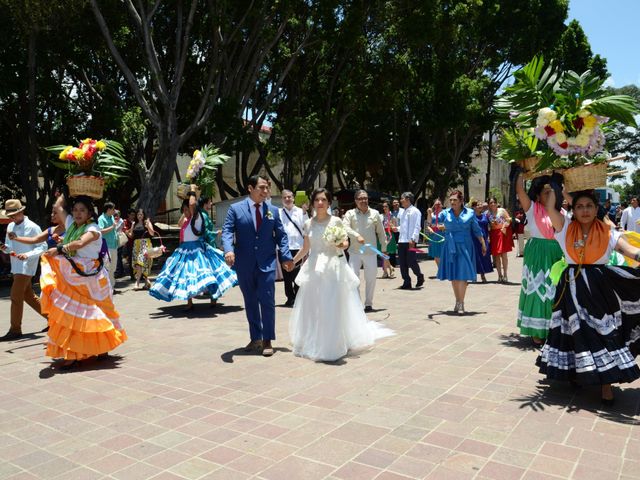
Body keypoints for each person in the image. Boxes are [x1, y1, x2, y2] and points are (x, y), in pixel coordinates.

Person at [539, 189, 640, 406]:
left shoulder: (608, 232)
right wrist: (557, 184)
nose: (584, 210)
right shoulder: (564, 227)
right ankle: (577, 372)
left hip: (599, 289)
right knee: (573, 331)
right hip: (570, 287)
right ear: (573, 210)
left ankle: (606, 385)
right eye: (579, 206)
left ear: (597, 209)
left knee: (605, 332)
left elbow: (631, 251)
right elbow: (550, 208)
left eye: (589, 206)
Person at [289, 188, 394, 361]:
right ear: (313, 203)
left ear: (329, 202)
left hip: (333, 267)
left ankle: (335, 341)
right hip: (314, 267)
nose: (320, 203)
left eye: (324, 200)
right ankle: (314, 339)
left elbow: (345, 243)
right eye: (317, 200)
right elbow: (306, 248)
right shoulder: (308, 224)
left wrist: (340, 243)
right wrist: (293, 261)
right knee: (314, 304)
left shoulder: (336, 221)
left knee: (333, 303)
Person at [40, 196, 127, 369]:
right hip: (72, 274)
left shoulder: (93, 228)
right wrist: (70, 187)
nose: (78, 213)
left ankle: (101, 348)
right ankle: (73, 353)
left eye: (82, 210)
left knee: (97, 313)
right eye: (75, 209)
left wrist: (59, 248)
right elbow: (57, 205)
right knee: (72, 314)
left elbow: (80, 243)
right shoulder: (72, 224)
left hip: (91, 277)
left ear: (89, 213)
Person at [222, 174, 294, 357]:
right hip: (244, 263)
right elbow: (228, 231)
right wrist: (228, 250)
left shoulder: (273, 210)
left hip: (267, 262)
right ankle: (256, 337)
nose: (265, 191)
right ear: (250, 188)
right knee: (251, 301)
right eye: (261, 187)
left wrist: (286, 257)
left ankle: (268, 339)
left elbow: (281, 236)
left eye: (267, 187)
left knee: (267, 300)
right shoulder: (235, 209)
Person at [150, 191, 237, 309]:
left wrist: (192, 192)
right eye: (184, 210)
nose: (185, 212)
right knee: (185, 275)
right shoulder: (187, 221)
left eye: (187, 210)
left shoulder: (197, 218)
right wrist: (185, 208)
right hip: (184, 250)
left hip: (197, 251)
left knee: (209, 273)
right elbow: (182, 220)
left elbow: (192, 206)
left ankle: (213, 297)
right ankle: (189, 302)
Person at [514, 173, 564, 346]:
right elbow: (520, 190)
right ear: (537, 195)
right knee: (539, 290)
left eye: (552, 192)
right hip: (538, 254)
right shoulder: (532, 208)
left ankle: (554, 329)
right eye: (546, 192)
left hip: (557, 254)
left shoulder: (562, 211)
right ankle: (537, 330)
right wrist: (521, 171)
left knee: (556, 290)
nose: (550, 195)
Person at [0, 199, 48, 341]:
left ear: (22, 211)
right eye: (10, 215)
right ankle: (54, 319)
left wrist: (26, 255)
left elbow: (43, 247)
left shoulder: (33, 227)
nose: (12, 217)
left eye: (14, 214)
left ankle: (15, 329)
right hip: (16, 266)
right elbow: (10, 247)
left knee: (15, 296)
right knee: (28, 296)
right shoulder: (10, 227)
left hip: (27, 266)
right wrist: (4, 248)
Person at [435, 191, 486, 314]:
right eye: (451, 200)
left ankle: (461, 303)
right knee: (453, 275)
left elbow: (476, 230)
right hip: (450, 246)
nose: (452, 202)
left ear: (461, 201)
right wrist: (431, 213)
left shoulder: (470, 213)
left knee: (462, 275)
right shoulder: (445, 212)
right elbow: (433, 222)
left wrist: (483, 243)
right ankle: (457, 301)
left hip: (465, 246)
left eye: (455, 200)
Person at [342, 190, 387, 312]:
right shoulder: (350, 214)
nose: (364, 201)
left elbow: (381, 233)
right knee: (353, 279)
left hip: (371, 252)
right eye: (361, 198)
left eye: (365, 198)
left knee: (371, 278)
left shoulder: (375, 214)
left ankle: (368, 304)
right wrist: (356, 235)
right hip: (355, 252)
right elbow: (345, 227)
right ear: (356, 201)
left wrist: (384, 249)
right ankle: (356, 304)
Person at [279, 189, 308, 307]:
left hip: (298, 247)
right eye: (285, 197)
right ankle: (289, 298)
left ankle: (297, 297)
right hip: (284, 247)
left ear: (293, 198)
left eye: (289, 197)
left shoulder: (302, 212)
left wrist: (306, 212)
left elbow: (307, 227)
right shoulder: (278, 212)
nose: (287, 199)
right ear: (282, 200)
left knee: (297, 273)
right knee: (286, 275)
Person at [395, 192, 424, 290]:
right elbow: (403, 227)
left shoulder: (415, 211)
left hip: (410, 241)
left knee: (411, 261)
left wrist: (413, 239)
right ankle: (406, 282)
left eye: (402, 198)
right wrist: (397, 228)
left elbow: (417, 226)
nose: (400, 201)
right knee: (402, 263)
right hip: (401, 240)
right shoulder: (402, 212)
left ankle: (419, 275)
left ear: (407, 199)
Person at [128, 208, 155, 290]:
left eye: (141, 214)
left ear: (144, 215)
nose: (140, 216)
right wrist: (132, 226)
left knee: (140, 262)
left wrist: (148, 226)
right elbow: (131, 236)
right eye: (138, 214)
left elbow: (152, 233)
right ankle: (147, 282)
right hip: (136, 245)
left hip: (145, 245)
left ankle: (137, 282)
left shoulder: (147, 222)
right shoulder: (134, 223)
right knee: (138, 264)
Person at [487, 197, 513, 283]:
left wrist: (505, 226)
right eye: (491, 202)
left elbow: (509, 219)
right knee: (496, 256)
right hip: (494, 234)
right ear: (489, 204)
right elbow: (488, 225)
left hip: (502, 233)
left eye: (494, 202)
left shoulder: (502, 210)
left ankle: (505, 274)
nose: (493, 204)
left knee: (504, 255)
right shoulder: (487, 213)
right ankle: (499, 275)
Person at [470, 200, 493, 282]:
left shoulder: (485, 216)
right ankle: (473, 276)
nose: (480, 206)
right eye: (478, 205)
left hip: (484, 238)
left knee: (484, 256)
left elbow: (490, 226)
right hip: (474, 239)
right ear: (473, 207)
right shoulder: (471, 217)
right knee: (475, 257)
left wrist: (489, 237)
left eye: (480, 204)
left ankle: (483, 275)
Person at [98, 202, 118, 293]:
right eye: (113, 209)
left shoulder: (112, 217)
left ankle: (111, 287)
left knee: (113, 267)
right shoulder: (101, 218)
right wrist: (112, 227)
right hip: (106, 246)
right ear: (109, 209)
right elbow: (101, 231)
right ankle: (108, 288)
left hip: (114, 246)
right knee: (107, 267)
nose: (114, 211)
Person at [425, 199, 444, 267]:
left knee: (443, 253)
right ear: (434, 206)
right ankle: (440, 269)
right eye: (436, 204)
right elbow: (428, 223)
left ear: (442, 205)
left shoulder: (444, 213)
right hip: (433, 236)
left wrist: (443, 226)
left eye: (439, 204)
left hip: (442, 235)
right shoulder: (432, 213)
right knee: (436, 254)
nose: (438, 206)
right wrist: (429, 213)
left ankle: (443, 269)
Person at [380, 201, 397, 278]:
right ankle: (389, 268)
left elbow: (395, 228)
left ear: (389, 207)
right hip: (382, 235)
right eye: (383, 206)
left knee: (385, 253)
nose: (384, 208)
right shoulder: (381, 216)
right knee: (383, 253)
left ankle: (386, 271)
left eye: (386, 206)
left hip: (389, 235)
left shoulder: (392, 216)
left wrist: (392, 225)